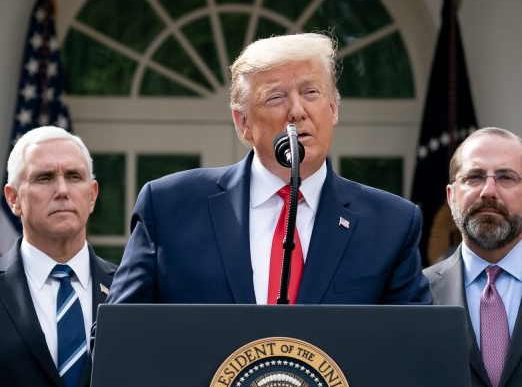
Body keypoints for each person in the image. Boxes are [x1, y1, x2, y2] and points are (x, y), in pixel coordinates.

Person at [107, 32, 430, 305]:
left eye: (311, 93)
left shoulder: (391, 224)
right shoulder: (169, 207)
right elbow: (118, 336)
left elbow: (415, 345)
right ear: (242, 122)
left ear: (333, 109)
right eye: (275, 97)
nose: (297, 111)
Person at [0, 126, 117, 387]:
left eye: (74, 176)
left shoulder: (129, 289)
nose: (62, 190)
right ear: (13, 198)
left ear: (92, 195)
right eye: (44, 178)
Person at [424, 127, 522, 387]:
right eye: (474, 177)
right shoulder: (416, 293)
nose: (489, 191)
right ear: (451, 196)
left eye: (506, 177)